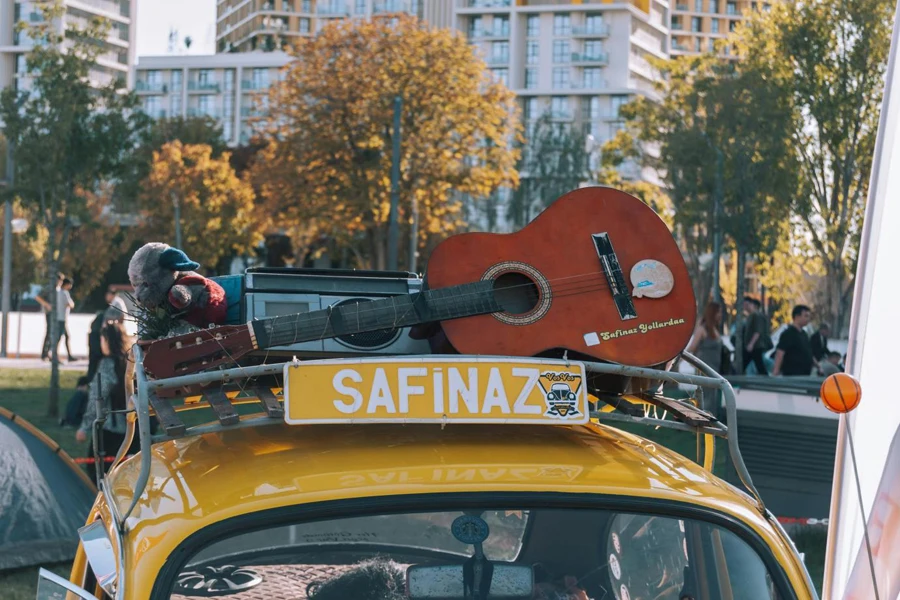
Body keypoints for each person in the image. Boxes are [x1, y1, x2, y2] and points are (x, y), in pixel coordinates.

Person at [76, 321, 136, 482]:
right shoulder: (131, 361)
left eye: (102, 339)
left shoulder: (107, 365)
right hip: (135, 429)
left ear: (108, 340)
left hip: (111, 431)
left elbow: (97, 398)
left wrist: (84, 427)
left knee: (99, 473)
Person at [772, 305, 814, 376]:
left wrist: (818, 366)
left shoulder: (804, 334)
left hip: (805, 373)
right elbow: (780, 353)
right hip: (792, 373)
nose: (808, 319)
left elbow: (808, 352)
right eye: (806, 316)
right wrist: (776, 371)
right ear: (797, 316)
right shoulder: (788, 333)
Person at [688, 301, 725, 373]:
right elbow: (692, 347)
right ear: (712, 313)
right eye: (718, 312)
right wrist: (678, 360)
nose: (720, 315)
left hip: (716, 369)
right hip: (704, 369)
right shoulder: (702, 329)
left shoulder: (715, 328)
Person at [740, 297, 772, 375]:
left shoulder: (757, 315)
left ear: (754, 305)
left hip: (756, 346)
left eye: (748, 304)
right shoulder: (751, 316)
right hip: (753, 345)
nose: (745, 306)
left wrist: (751, 344)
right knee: (755, 364)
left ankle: (736, 378)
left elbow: (758, 331)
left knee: (756, 364)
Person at [37, 273, 64, 360]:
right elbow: (38, 297)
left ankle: (50, 353)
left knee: (55, 333)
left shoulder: (59, 290)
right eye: (59, 280)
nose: (60, 282)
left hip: (57, 314)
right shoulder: (49, 288)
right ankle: (44, 353)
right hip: (50, 313)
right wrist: (47, 305)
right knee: (49, 332)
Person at [54, 277, 76, 362]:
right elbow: (70, 304)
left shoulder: (58, 292)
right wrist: (72, 304)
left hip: (59, 318)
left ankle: (69, 355)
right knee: (60, 338)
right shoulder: (64, 293)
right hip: (62, 318)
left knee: (65, 337)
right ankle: (55, 356)